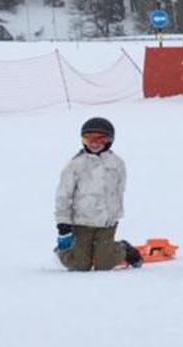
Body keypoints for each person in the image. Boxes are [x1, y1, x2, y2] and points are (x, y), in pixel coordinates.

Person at [54, 115, 140, 270]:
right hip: (81, 223)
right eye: (88, 139)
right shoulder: (75, 165)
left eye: (99, 139)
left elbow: (118, 192)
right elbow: (63, 195)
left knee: (104, 264)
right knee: (80, 265)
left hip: (106, 223)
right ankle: (65, 251)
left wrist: (114, 216)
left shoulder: (117, 164)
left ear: (109, 140)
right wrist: (63, 224)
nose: (94, 144)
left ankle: (123, 249)